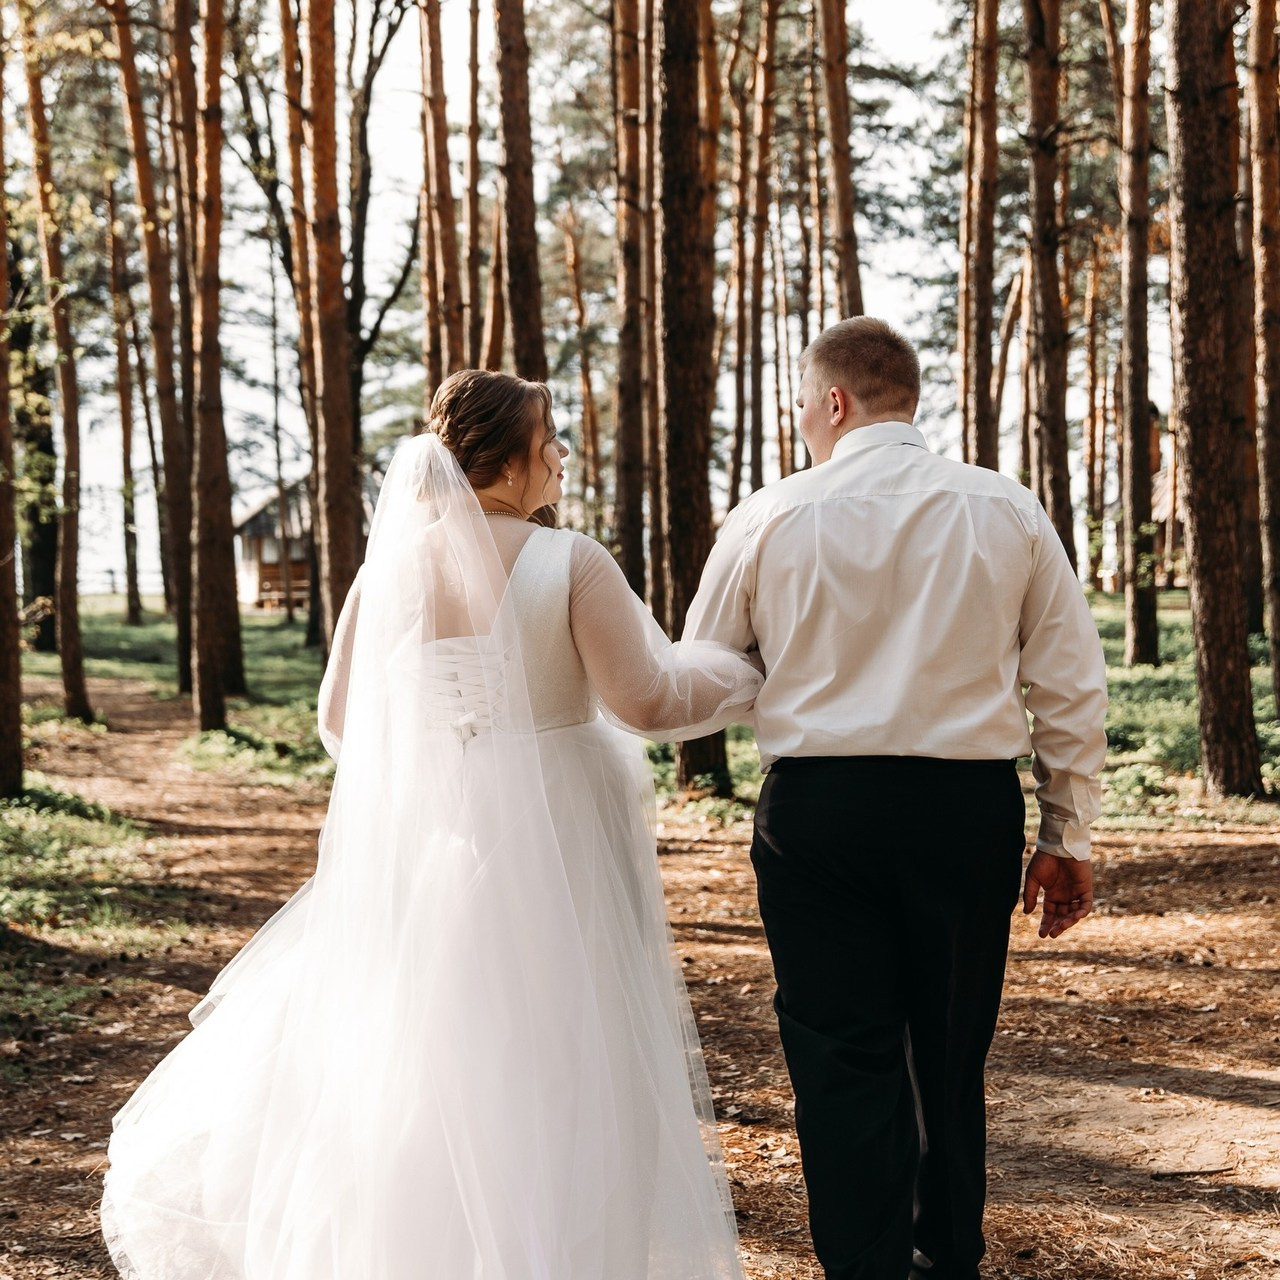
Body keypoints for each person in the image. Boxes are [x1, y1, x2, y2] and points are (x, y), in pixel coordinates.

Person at [101, 369, 762, 1280]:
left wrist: (439, 762)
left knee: (432, 1056)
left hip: (435, 840)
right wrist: (746, 673)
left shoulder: (388, 571)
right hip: (560, 829)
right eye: (550, 439)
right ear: (509, 461)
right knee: (567, 1053)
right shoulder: (569, 560)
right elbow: (648, 701)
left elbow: (339, 718)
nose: (561, 455)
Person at [682, 317, 1107, 1280]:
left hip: (818, 815)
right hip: (965, 813)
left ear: (834, 402)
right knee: (949, 1053)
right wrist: (1066, 833)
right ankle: (947, 1259)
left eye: (802, 404)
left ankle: (864, 1268)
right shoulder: (1006, 508)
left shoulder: (769, 514)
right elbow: (1069, 684)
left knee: (838, 1055)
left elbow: (705, 671)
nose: (801, 421)